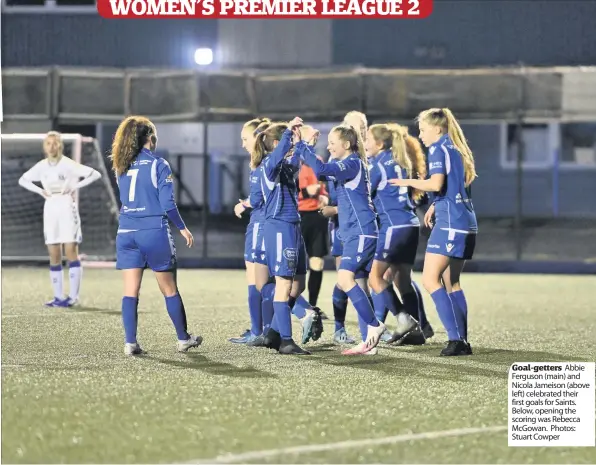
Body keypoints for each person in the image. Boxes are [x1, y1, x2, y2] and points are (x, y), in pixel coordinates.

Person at [111, 116, 202, 356]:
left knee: (130, 291)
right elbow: (167, 204)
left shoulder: (122, 165)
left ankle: (130, 343)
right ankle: (183, 338)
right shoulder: (158, 164)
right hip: (153, 232)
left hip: (126, 232)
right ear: (150, 138)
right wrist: (182, 227)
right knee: (169, 289)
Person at [389, 108, 477, 356]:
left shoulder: (439, 148)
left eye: (424, 129)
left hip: (450, 224)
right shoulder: (456, 148)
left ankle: (455, 340)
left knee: (429, 279)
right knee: (452, 282)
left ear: (437, 129)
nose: (421, 134)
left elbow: (436, 183)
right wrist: (437, 203)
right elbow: (456, 186)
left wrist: (409, 182)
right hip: (465, 221)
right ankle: (462, 341)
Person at [298, 124, 386, 356]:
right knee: (356, 281)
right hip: (355, 231)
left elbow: (318, 168)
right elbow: (320, 171)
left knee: (345, 279)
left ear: (346, 145)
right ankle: (369, 341)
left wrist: (305, 144)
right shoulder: (348, 164)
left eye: (332, 143)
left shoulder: (351, 162)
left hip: (361, 231)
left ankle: (374, 327)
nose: (328, 146)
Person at [252, 119, 319, 355]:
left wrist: (305, 142)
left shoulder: (285, 165)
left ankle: (272, 332)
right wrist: (290, 132)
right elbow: (282, 153)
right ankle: (286, 342)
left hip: (293, 226)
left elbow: (295, 160)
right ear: (279, 143)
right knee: (283, 284)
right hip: (279, 227)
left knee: (298, 283)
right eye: (287, 144)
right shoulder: (268, 165)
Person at [18, 131, 101, 308]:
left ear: (60, 146)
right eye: (48, 143)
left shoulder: (68, 164)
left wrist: (74, 187)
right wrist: (41, 191)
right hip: (50, 208)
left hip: (66, 207)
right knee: (54, 253)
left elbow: (95, 174)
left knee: (70, 251)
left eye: (55, 143)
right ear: (44, 147)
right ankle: (57, 297)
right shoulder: (41, 166)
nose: (52, 146)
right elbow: (23, 180)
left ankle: (73, 297)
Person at [365, 123, 423, 343]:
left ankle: (403, 319)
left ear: (379, 144)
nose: (365, 144)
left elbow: (364, 193)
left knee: (375, 277)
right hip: (410, 224)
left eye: (368, 139)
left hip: (394, 226)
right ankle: (416, 331)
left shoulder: (377, 165)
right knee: (402, 279)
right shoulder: (400, 160)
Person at [230, 117, 272, 345]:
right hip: (260, 223)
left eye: (245, 139)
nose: (242, 144)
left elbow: (259, 198)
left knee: (261, 281)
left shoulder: (263, 164)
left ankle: (263, 330)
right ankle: (259, 329)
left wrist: (243, 204)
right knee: (255, 277)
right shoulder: (262, 163)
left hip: (261, 224)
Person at [298, 149, 329, 309]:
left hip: (317, 217)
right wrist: (304, 191)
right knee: (291, 263)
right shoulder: (291, 159)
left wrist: (325, 196)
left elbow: (323, 188)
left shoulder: (317, 160)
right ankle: (288, 304)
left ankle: (312, 306)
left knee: (317, 262)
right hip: (297, 217)